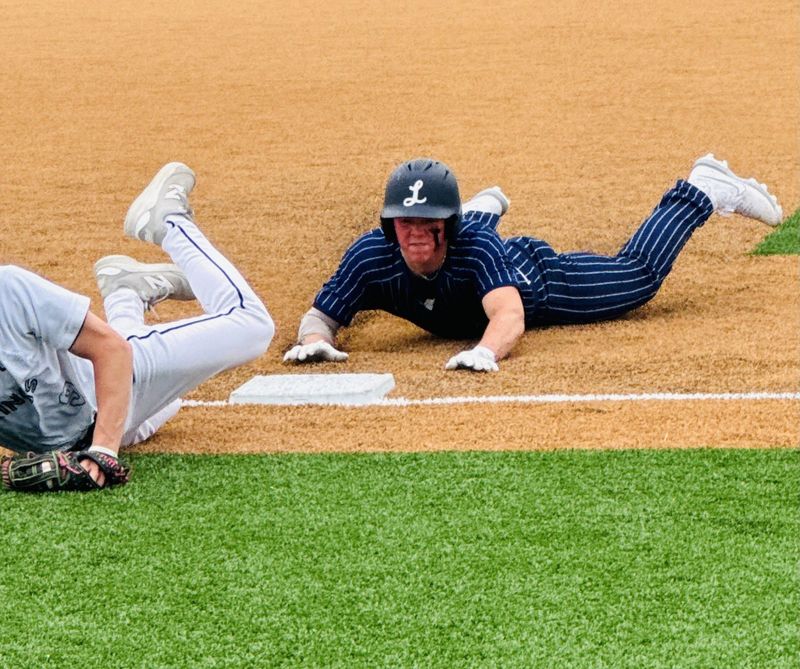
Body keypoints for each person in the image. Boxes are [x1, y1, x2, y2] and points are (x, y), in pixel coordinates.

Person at [284, 155, 782, 372]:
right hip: (470, 273)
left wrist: (486, 352)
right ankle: (483, 207)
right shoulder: (372, 254)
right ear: (388, 222)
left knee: (637, 278)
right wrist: (314, 343)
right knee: (471, 249)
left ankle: (700, 188)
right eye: (404, 222)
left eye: (428, 222)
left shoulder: (475, 248)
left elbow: (509, 316)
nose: (414, 233)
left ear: (447, 225)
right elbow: (322, 316)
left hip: (536, 281)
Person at [1, 163, 274, 492]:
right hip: (87, 434)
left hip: (122, 379)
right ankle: (125, 292)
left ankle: (168, 221)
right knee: (171, 405)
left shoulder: (10, 291)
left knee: (251, 326)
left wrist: (103, 450)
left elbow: (112, 351)